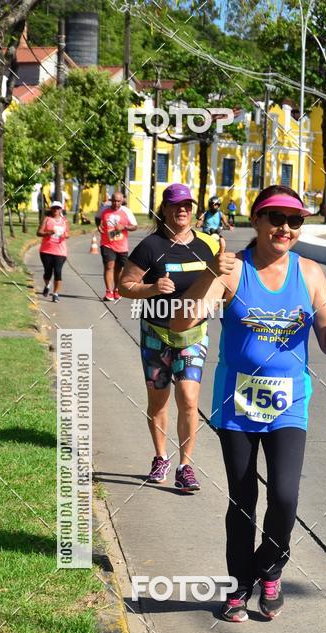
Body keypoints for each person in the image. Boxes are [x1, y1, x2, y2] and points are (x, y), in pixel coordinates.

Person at [171, 184, 326, 622]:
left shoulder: (308, 274)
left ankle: (269, 569)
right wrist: (209, 275)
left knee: (285, 497)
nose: (285, 228)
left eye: (295, 221)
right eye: (276, 218)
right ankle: (238, 587)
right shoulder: (232, 270)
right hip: (236, 405)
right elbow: (182, 322)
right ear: (256, 220)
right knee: (242, 499)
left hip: (289, 404)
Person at [118, 183, 218, 492]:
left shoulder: (208, 245)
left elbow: (222, 282)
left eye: (187, 204)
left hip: (192, 333)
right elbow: (125, 286)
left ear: (194, 208)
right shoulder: (151, 246)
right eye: (175, 205)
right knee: (158, 401)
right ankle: (160, 456)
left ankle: (185, 466)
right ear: (164, 209)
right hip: (156, 334)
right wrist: (151, 289)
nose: (182, 210)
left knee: (189, 399)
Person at [99, 191, 138, 301]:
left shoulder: (127, 212)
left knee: (119, 269)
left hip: (122, 245)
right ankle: (108, 292)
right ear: (111, 200)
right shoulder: (104, 210)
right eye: (114, 201)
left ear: (122, 201)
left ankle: (116, 289)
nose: (116, 203)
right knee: (109, 266)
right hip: (107, 243)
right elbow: (99, 221)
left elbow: (134, 227)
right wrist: (99, 227)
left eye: (118, 201)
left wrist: (124, 227)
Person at [36, 200, 69, 302]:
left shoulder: (65, 221)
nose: (56, 210)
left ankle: (55, 294)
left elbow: (68, 234)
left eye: (58, 208)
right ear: (51, 209)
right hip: (46, 250)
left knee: (58, 272)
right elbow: (39, 232)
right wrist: (48, 233)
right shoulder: (47, 219)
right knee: (48, 272)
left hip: (60, 251)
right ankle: (47, 285)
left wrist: (65, 235)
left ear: (61, 209)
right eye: (54, 208)